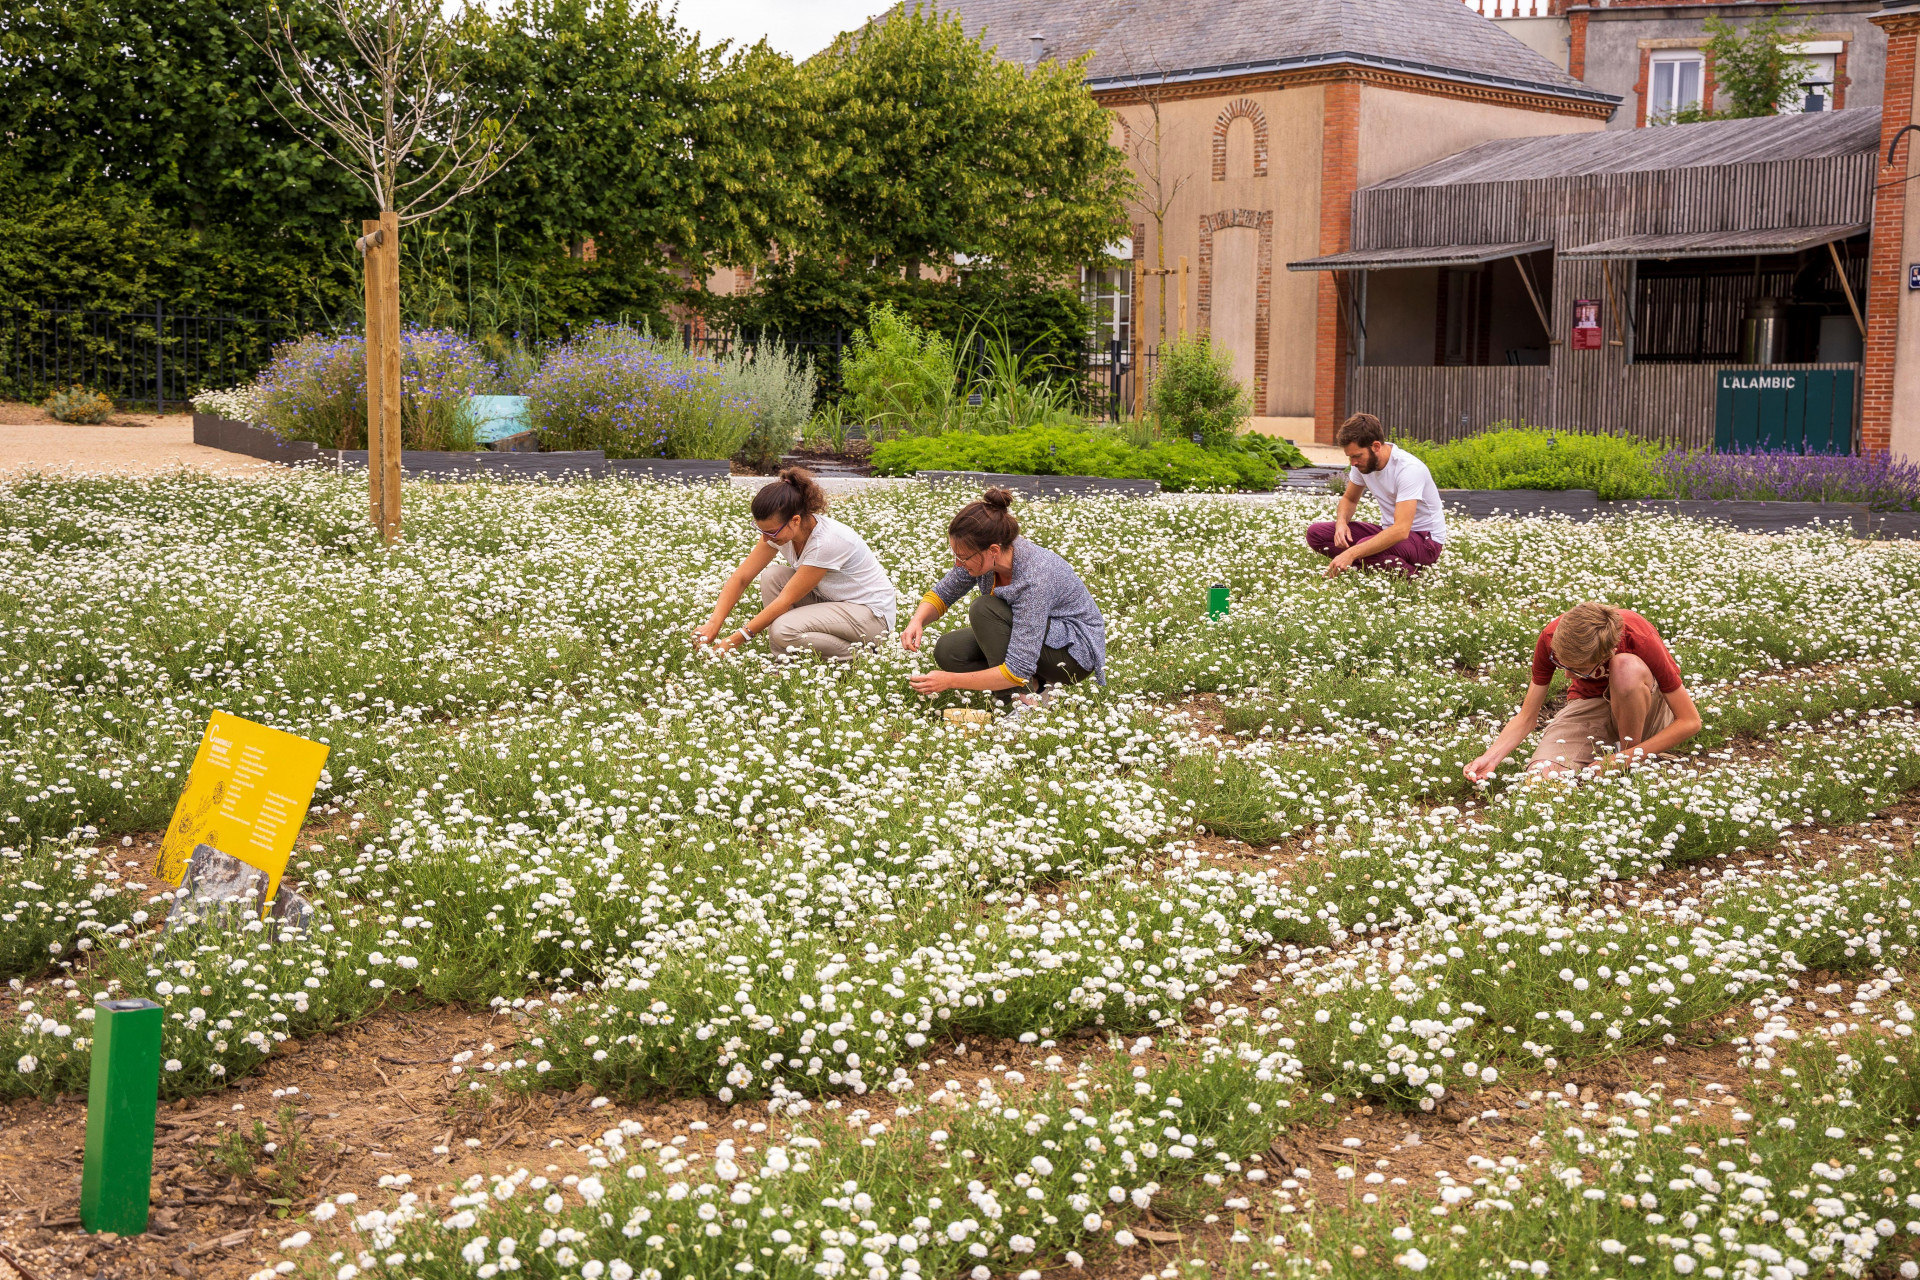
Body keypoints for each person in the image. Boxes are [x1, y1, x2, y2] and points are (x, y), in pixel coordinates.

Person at [901, 488, 1105, 706]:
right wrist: (917, 620)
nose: (958, 563)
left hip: (1071, 654)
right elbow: (943, 593)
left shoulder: (1034, 576)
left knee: (984, 608)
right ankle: (1038, 687)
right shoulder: (981, 555)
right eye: (956, 556)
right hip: (1034, 636)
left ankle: (1021, 702)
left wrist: (949, 681)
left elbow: (1018, 667)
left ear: (993, 550)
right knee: (949, 651)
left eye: (962, 557)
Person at [1464, 601, 1702, 780]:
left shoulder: (1637, 634)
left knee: (1626, 668)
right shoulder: (1551, 637)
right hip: (1590, 707)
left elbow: (1690, 721)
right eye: (1562, 666)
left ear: (1607, 653)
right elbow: (1527, 717)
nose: (1567, 676)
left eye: (1578, 670)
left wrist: (1623, 759)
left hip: (1647, 709)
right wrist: (1490, 757)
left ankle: (1625, 761)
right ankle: (1607, 755)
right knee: (1541, 778)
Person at [693, 467, 895, 659]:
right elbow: (741, 578)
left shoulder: (826, 542)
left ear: (795, 520)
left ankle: (862, 656)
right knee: (773, 576)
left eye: (770, 532)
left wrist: (736, 639)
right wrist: (713, 624)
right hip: (834, 601)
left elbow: (785, 601)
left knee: (784, 629)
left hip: (871, 617)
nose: (765, 539)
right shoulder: (780, 534)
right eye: (760, 530)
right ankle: (783, 659)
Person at [1306, 412, 1447, 577]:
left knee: (1365, 549)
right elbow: (1349, 499)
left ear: (1376, 446)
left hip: (1425, 541)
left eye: (1357, 456)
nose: (1353, 463)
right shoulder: (1362, 465)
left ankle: (1414, 579)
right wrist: (1341, 523)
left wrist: (1351, 553)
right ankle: (1376, 566)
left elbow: (1401, 530)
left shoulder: (1408, 469)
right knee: (1316, 533)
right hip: (1389, 531)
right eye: (1350, 457)